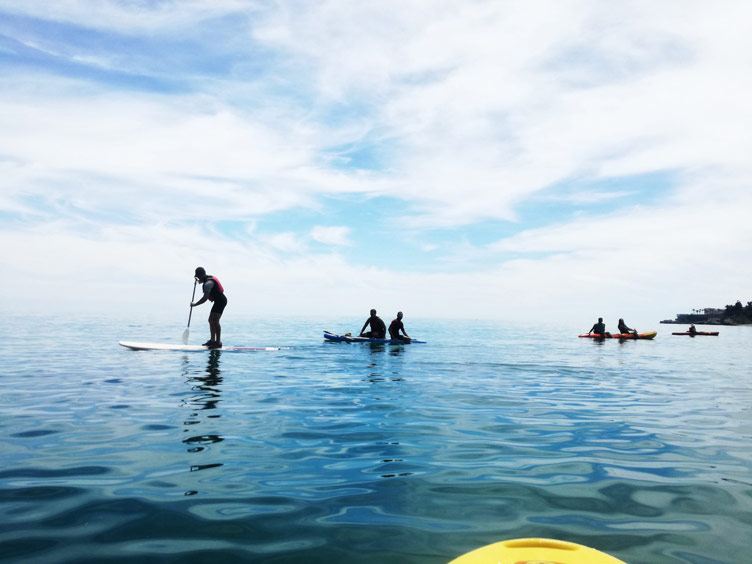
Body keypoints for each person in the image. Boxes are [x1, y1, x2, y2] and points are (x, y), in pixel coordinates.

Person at [190, 267, 227, 348]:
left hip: (221, 301)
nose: (198, 278)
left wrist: (195, 304)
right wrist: (200, 281)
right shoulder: (207, 279)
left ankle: (218, 342)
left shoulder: (208, 283)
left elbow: (205, 298)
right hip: (218, 301)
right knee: (210, 320)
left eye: (199, 277)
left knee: (215, 321)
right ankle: (212, 341)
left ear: (202, 274)